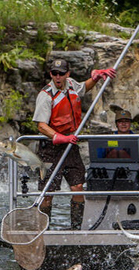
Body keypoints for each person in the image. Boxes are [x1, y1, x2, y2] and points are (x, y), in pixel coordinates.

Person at [34, 57, 115, 228]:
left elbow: (84, 88)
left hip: (70, 145)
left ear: (67, 74)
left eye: (61, 73)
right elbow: (41, 126)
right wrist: (58, 137)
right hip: (51, 147)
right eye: (54, 73)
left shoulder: (71, 84)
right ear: (51, 74)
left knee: (78, 186)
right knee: (48, 192)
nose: (58, 77)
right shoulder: (45, 95)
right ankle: (44, 229)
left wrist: (96, 78)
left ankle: (76, 228)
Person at [102, 108, 139, 184]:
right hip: (110, 178)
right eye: (120, 122)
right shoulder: (108, 139)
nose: (124, 124)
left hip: (133, 179)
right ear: (116, 124)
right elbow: (98, 160)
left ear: (130, 123)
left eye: (126, 121)